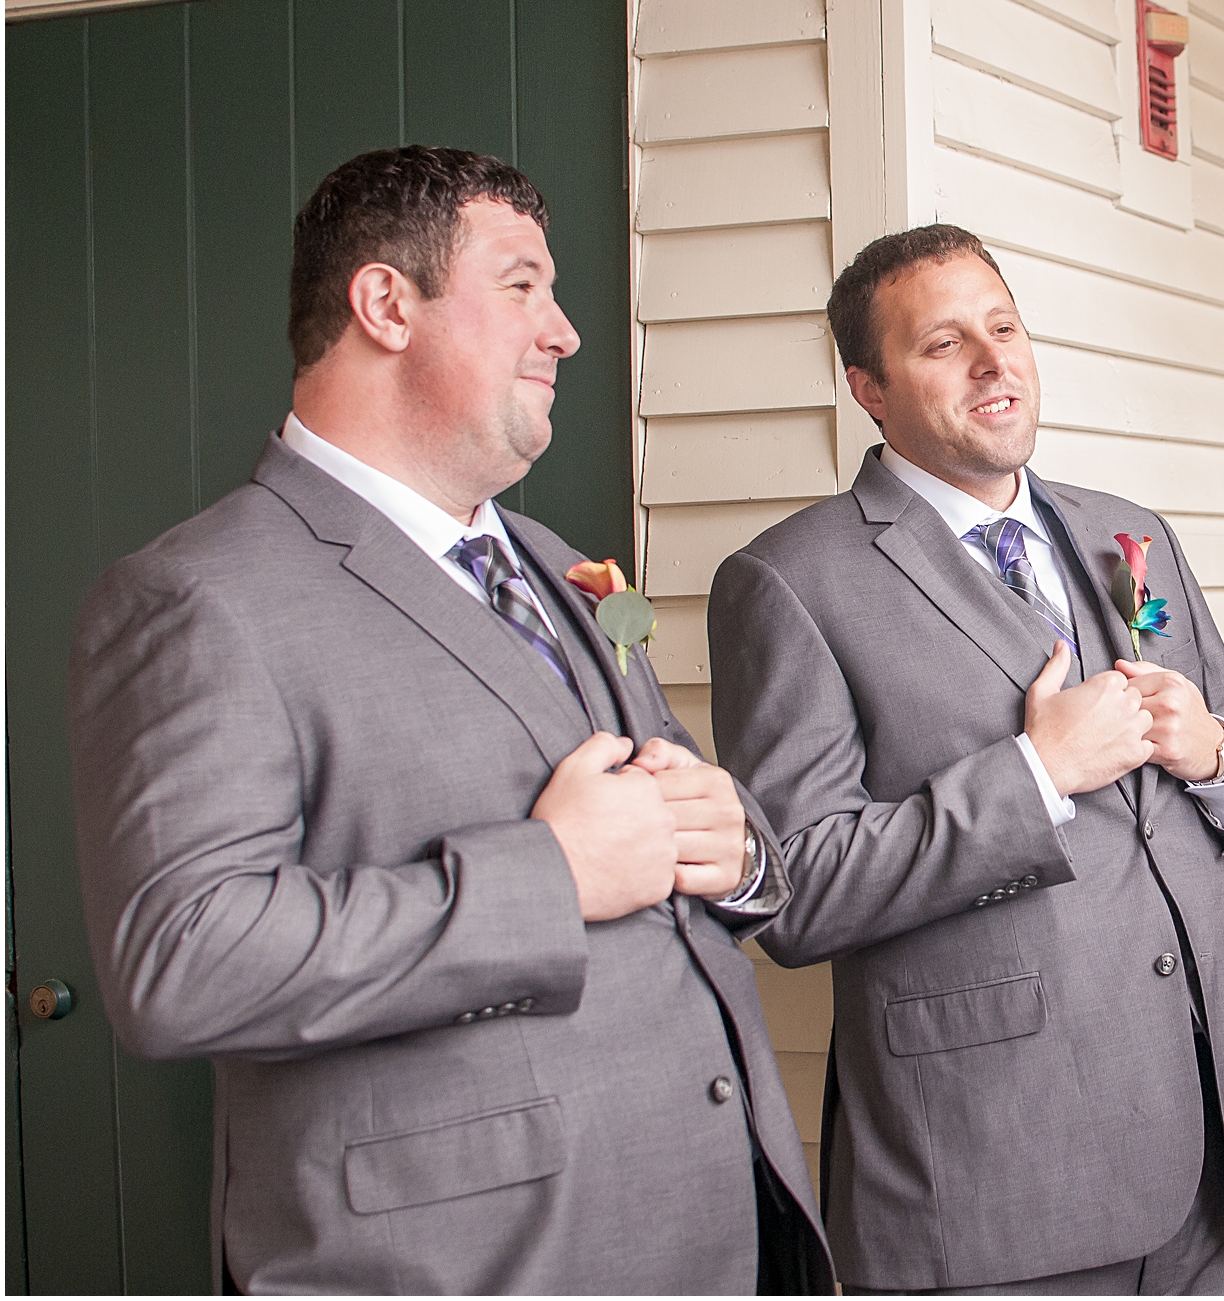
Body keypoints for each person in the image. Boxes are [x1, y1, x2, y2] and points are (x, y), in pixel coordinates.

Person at [68, 146, 830, 1294]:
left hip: (718, 1225)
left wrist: (735, 852)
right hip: (463, 1262)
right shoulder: (197, 597)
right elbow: (181, 958)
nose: (565, 330)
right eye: (523, 284)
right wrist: (552, 874)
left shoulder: (561, 565)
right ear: (386, 304)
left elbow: (667, 832)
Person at [705, 224, 1224, 1294]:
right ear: (868, 387)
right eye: (943, 344)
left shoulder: (1134, 535)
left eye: (1004, 325)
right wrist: (1035, 774)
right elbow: (791, 895)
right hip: (996, 1190)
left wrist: (1217, 753)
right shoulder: (790, 581)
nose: (993, 362)